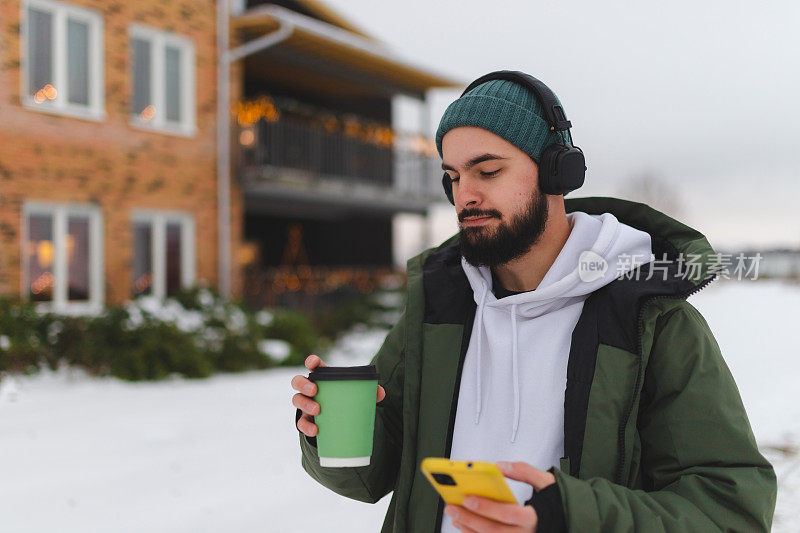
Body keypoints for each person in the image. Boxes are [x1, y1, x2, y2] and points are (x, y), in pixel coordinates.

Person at [290, 70, 777, 532]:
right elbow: (372, 475)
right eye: (454, 177)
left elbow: (730, 509)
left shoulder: (650, 319)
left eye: (487, 171)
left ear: (555, 172)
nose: (466, 196)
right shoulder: (438, 309)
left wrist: (571, 517)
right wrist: (329, 432)